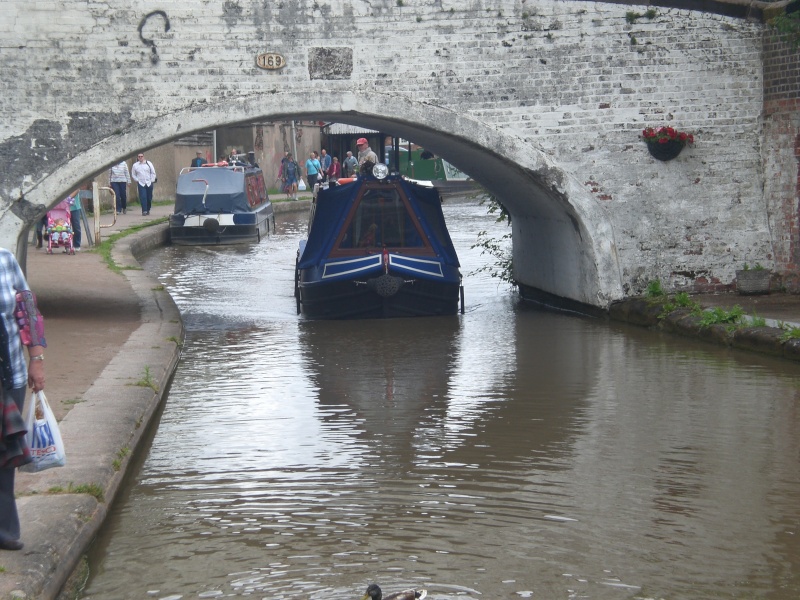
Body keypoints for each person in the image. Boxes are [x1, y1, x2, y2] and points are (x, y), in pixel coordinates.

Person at [0, 248, 46, 552]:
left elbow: (27, 308)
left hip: (11, 372)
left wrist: (36, 358)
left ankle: (4, 529)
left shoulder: (4, 258)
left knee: (6, 452)